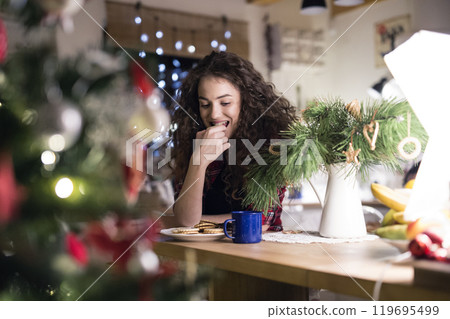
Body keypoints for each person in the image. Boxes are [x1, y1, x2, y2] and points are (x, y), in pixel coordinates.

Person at [170, 51, 297, 231]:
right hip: (204, 251)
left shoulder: (272, 141)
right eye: (205, 104)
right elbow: (185, 219)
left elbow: (260, 221)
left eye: (225, 103)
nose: (213, 114)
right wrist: (198, 162)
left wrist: (198, 222)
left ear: (245, 101)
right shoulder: (194, 139)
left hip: (257, 250)